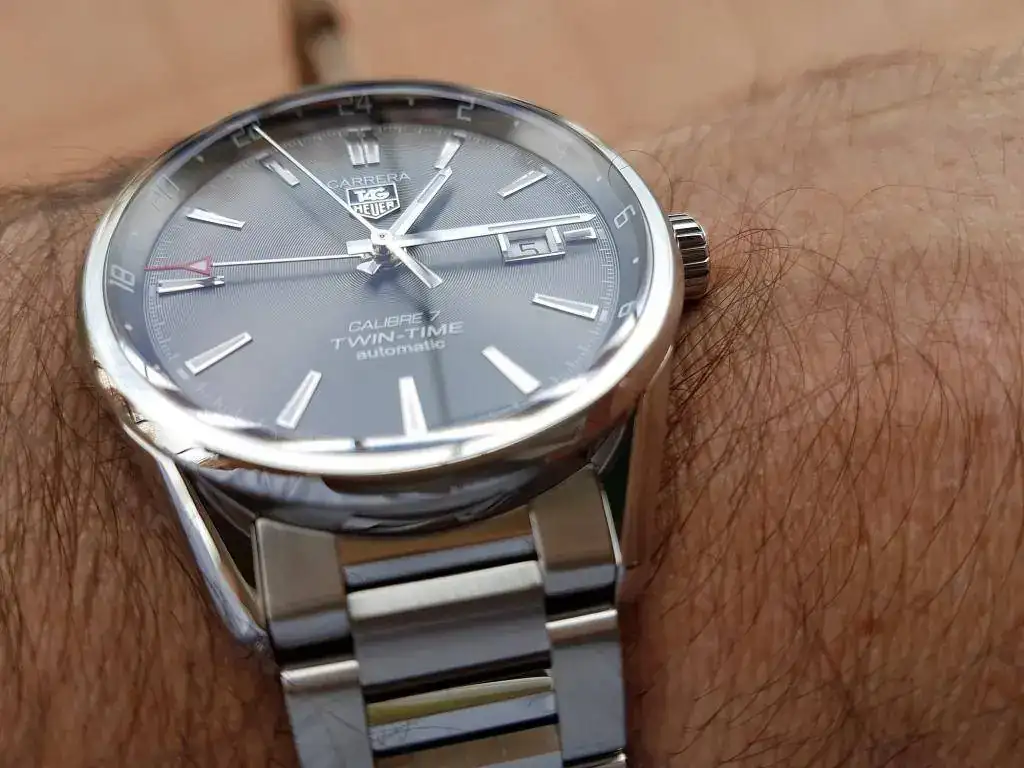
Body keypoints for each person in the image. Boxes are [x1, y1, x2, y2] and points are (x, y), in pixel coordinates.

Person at [2, 46, 1023, 767]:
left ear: (677, 258)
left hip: (547, 475)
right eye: (371, 249)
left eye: (394, 240)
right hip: (294, 523)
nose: (380, 253)